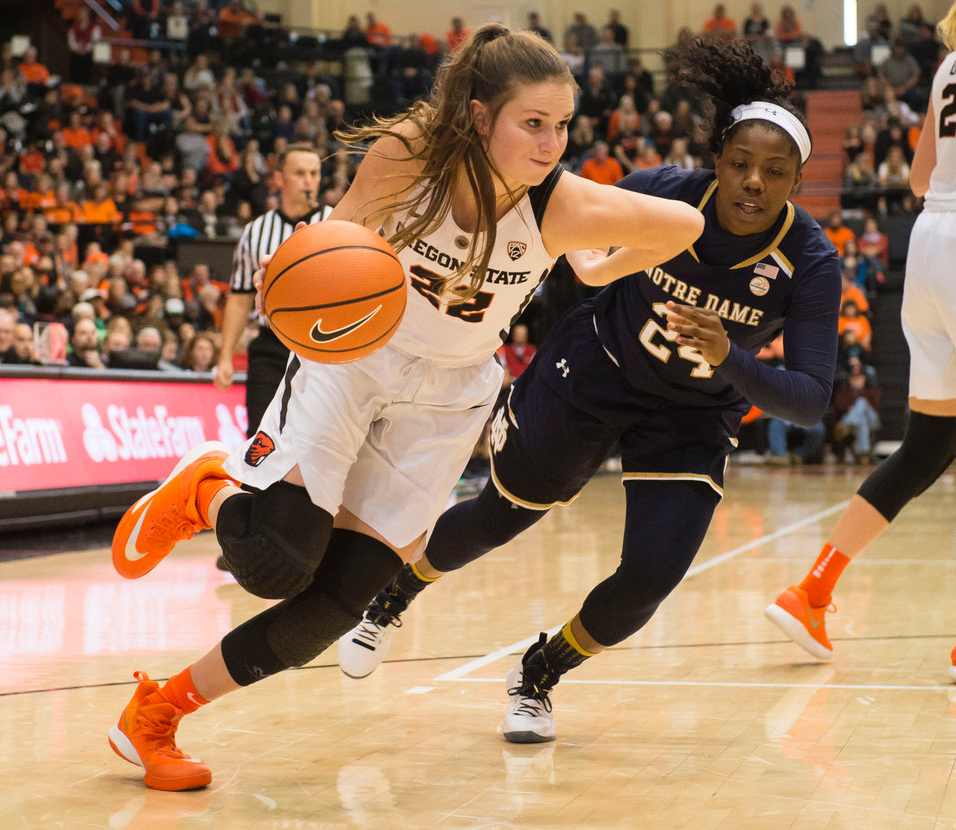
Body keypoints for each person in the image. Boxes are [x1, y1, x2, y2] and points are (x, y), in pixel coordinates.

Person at [105, 24, 704, 791]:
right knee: (274, 563)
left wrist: (593, 265)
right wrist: (309, 287)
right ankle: (207, 489)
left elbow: (684, 226)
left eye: (561, 125)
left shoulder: (560, 205)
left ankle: (157, 714)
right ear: (481, 116)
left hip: (449, 397)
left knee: (333, 606)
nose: (553, 142)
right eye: (533, 122)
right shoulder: (409, 157)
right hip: (357, 355)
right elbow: (337, 238)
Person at [336, 37, 841, 745]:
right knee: (499, 516)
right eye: (740, 164)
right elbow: (570, 234)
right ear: (717, 162)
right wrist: (585, 262)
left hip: (694, 412)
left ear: (798, 180)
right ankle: (393, 597)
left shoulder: (811, 262)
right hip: (597, 371)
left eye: (774, 171)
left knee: (650, 578)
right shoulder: (664, 190)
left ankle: (540, 672)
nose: (753, 182)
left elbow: (813, 400)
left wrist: (730, 358)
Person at [765, 2, 956, 671]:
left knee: (927, 447)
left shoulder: (947, 69)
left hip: (932, 249)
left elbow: (917, 177)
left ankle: (811, 590)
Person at [214, 144, 333, 434]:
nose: (309, 180)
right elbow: (240, 298)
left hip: (323, 345)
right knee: (260, 437)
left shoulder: (337, 223)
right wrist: (225, 356)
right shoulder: (255, 231)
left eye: (314, 173)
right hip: (271, 343)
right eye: (300, 173)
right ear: (279, 179)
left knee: (316, 439)